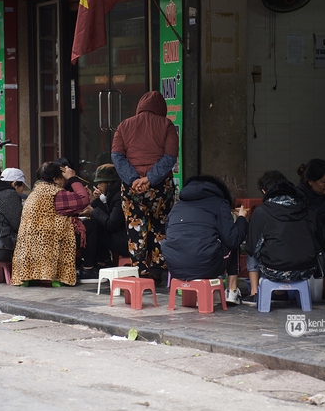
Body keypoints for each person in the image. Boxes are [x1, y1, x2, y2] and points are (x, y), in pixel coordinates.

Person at [111, 90, 178, 284]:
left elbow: (117, 156)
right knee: (160, 225)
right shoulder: (166, 125)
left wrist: (133, 179)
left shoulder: (124, 126)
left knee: (135, 226)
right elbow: (170, 157)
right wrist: (149, 179)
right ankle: (157, 269)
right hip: (159, 187)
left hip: (131, 187)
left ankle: (139, 269)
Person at [161, 175, 249, 305]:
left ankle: (200, 295)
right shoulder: (220, 203)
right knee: (233, 238)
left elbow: (169, 232)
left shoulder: (177, 206)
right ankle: (232, 291)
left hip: (175, 266)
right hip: (207, 266)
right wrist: (241, 218)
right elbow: (232, 239)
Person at [245, 171, 324, 304]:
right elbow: (321, 240)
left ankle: (255, 292)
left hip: (273, 271)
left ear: (264, 191)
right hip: (306, 269)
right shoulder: (307, 208)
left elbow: (252, 247)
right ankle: (280, 293)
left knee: (251, 249)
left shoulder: (261, 211)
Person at [11, 162, 89, 286]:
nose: (65, 181)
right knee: (90, 227)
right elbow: (83, 199)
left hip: (27, 255)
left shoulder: (34, 193)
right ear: (55, 179)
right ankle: (89, 269)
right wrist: (73, 178)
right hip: (49, 248)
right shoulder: (56, 194)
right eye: (63, 178)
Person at [78, 164, 130, 282]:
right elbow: (103, 211)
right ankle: (102, 262)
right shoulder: (111, 194)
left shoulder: (118, 197)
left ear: (108, 182)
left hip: (124, 241)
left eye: (100, 183)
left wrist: (93, 212)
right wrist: (94, 202)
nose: (98, 186)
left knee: (94, 227)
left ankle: (93, 265)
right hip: (118, 236)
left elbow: (111, 223)